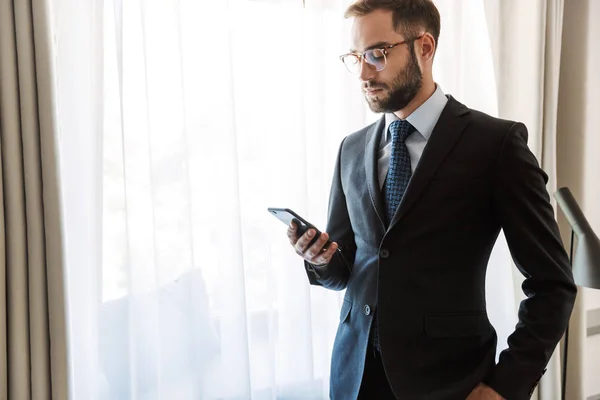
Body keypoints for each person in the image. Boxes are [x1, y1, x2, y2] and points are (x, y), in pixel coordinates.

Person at [286, 0, 577, 399]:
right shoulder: (350, 150)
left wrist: (505, 385)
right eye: (356, 57)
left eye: (377, 54)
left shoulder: (496, 145)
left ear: (424, 47)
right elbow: (347, 268)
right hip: (354, 379)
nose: (364, 72)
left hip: (450, 383)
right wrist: (320, 259)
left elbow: (553, 284)